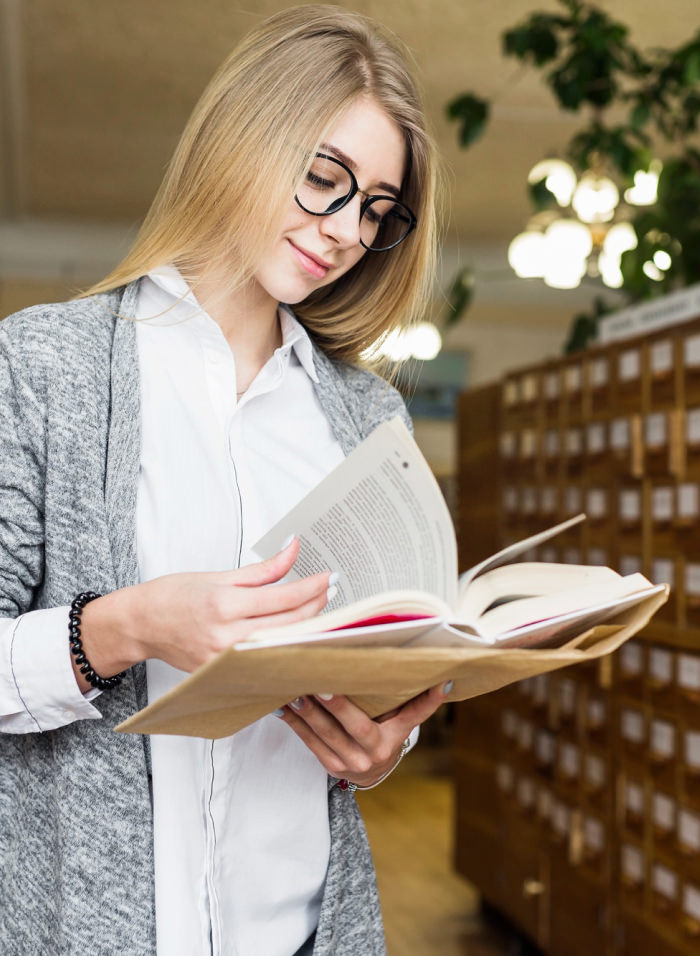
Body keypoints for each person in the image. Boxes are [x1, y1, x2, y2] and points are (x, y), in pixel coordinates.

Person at [0, 6, 448, 954]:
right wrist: (124, 627)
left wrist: (383, 747)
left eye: (374, 210)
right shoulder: (44, 367)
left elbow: (377, 663)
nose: (343, 233)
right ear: (243, 138)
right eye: (324, 180)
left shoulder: (367, 422)